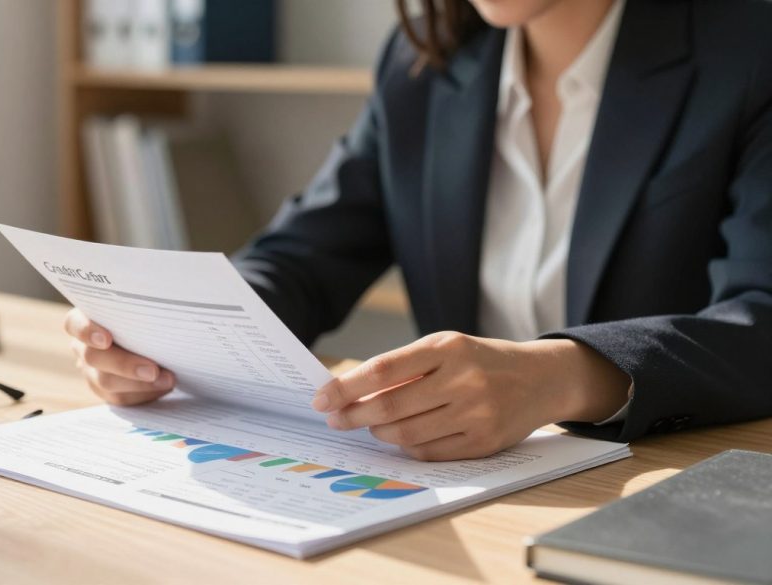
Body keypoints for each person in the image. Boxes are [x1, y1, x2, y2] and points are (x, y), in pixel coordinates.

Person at [65, 0, 772, 461]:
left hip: (669, 489)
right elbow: (303, 256)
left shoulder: (749, 51)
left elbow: (761, 321)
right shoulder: (423, 66)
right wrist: (164, 334)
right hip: (469, 497)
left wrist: (556, 377)